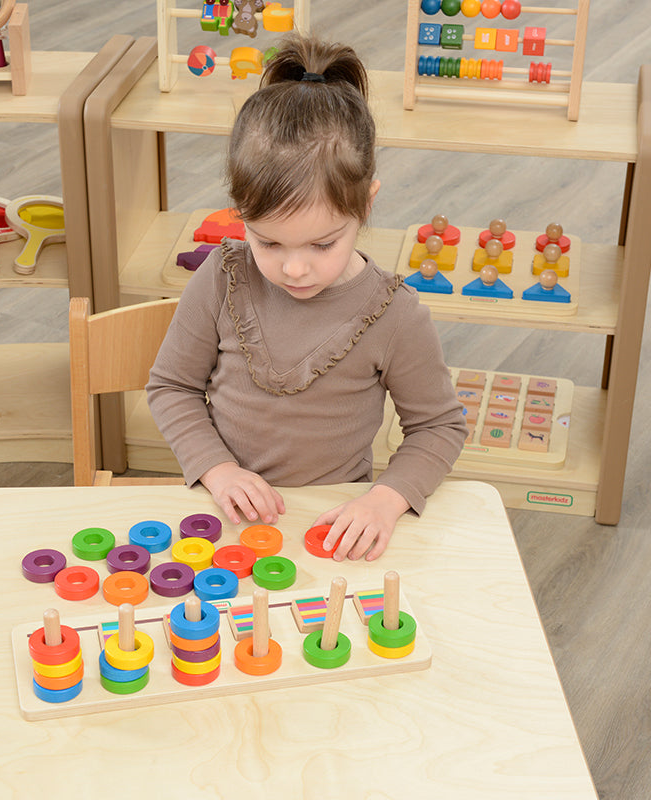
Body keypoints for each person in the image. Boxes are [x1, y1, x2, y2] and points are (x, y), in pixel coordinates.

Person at [146, 35, 467, 561]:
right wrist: (218, 469)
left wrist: (385, 500)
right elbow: (172, 386)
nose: (294, 268)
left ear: (366, 204)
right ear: (240, 212)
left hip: (334, 518)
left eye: (323, 244)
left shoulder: (395, 315)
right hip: (228, 515)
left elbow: (438, 426)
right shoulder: (220, 276)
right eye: (268, 241)